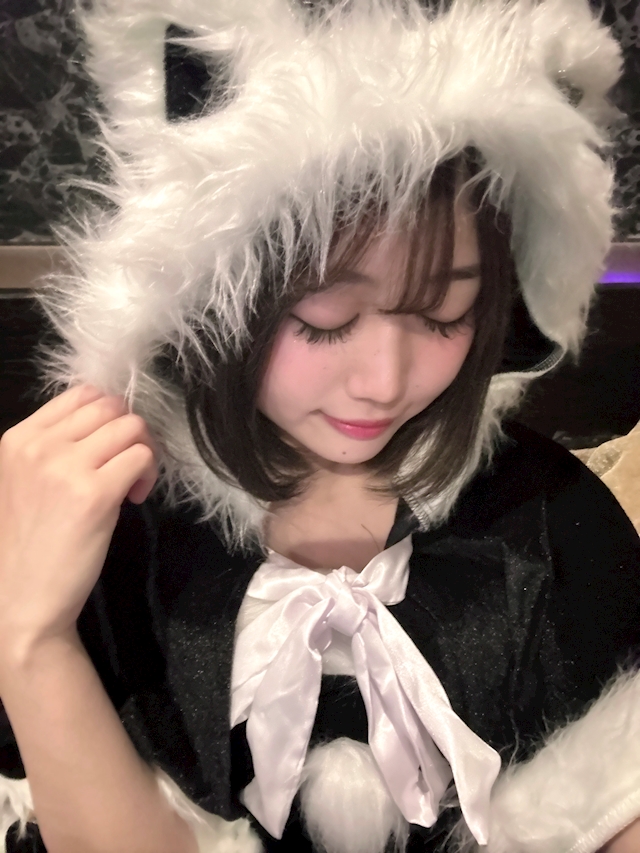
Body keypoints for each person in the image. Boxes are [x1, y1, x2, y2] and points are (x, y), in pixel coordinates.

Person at [0, 0, 639, 852]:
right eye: (325, 319)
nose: (384, 382)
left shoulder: (555, 524)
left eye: (445, 314)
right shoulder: (121, 535)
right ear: (207, 295)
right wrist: (30, 636)